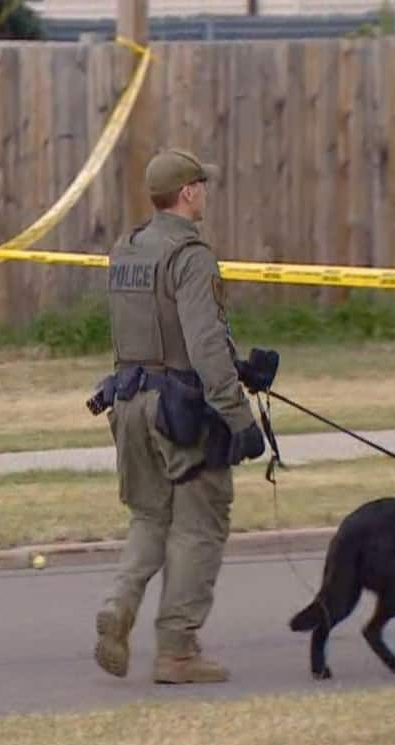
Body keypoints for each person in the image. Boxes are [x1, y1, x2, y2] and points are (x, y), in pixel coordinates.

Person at [92, 148, 268, 684]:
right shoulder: (190, 256)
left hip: (129, 402)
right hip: (182, 414)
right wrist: (239, 417)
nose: (206, 192)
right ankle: (177, 650)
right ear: (189, 192)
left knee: (150, 515)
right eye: (202, 185)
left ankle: (119, 604)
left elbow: (149, 333)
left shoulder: (128, 249)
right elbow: (202, 340)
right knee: (199, 525)